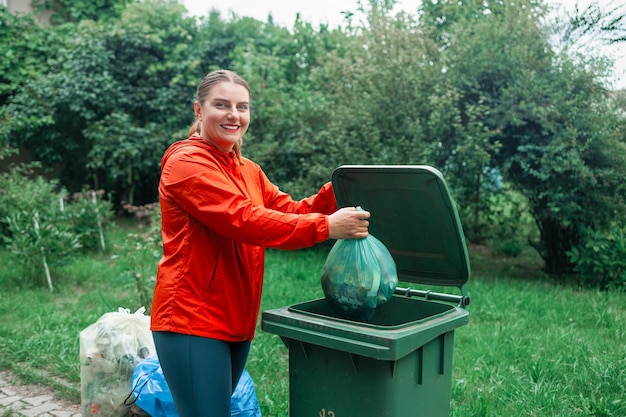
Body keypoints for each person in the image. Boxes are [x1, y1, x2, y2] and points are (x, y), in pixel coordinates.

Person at [150, 69, 370, 417]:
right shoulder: (185, 164)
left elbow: (290, 210)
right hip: (192, 319)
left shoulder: (248, 170)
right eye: (221, 105)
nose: (233, 115)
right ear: (198, 109)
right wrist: (326, 227)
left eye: (242, 106)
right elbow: (245, 220)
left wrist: (339, 190)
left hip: (237, 318)